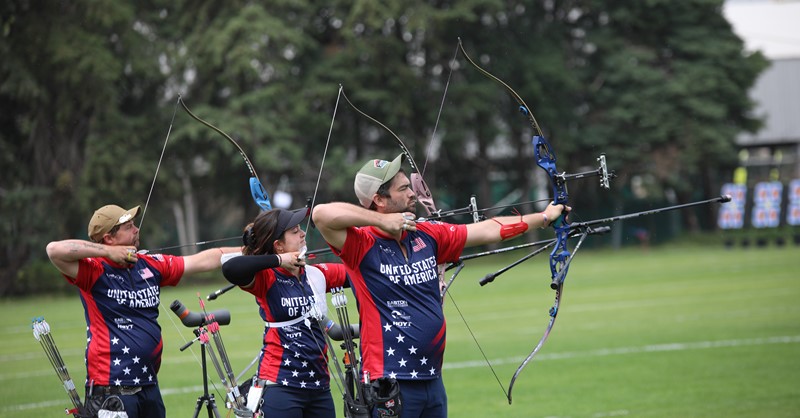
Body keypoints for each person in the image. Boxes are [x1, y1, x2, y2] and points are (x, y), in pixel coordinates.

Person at [311, 154, 569, 418]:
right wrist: (381, 221)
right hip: (390, 382)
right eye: (403, 189)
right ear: (379, 200)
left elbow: (488, 229)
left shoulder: (427, 234)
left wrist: (544, 217)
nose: (412, 193)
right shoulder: (360, 245)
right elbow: (321, 214)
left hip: (432, 379)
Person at [45, 204, 240, 418]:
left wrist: (250, 252)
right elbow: (54, 250)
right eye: (128, 227)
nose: (136, 229)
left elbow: (205, 260)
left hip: (148, 386)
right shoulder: (94, 270)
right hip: (112, 390)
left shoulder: (150, 264)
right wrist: (108, 253)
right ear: (109, 238)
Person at [221, 207, 351, 418]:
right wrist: (280, 260)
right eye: (294, 231)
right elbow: (230, 268)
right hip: (281, 384)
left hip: (319, 385)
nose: (302, 234)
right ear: (278, 245)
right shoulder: (267, 278)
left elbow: (362, 272)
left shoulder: (317, 274)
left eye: (300, 229)